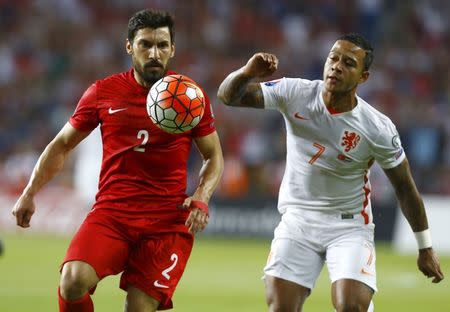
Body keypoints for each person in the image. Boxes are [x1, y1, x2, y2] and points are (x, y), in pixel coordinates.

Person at [12, 9, 223, 312]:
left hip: (166, 223)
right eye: (145, 44)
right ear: (129, 46)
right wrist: (30, 192)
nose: (154, 53)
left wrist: (202, 197)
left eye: (162, 45)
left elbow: (214, 155)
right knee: (72, 281)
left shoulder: (190, 96)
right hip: (112, 214)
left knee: (138, 307)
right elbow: (61, 145)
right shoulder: (103, 92)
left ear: (173, 49)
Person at [217, 33, 444, 312]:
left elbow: (405, 188)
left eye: (348, 63)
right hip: (298, 220)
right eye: (333, 58)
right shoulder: (295, 92)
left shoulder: (378, 128)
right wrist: (247, 72)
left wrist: (425, 247)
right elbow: (228, 96)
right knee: (280, 307)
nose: (336, 66)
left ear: (364, 77)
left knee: (350, 306)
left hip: (348, 226)